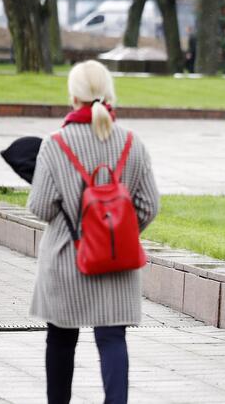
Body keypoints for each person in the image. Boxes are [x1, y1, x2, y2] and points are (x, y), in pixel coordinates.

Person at [27, 60, 160, 404]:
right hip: (116, 263)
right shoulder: (132, 142)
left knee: (60, 339)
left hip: (66, 260)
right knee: (112, 338)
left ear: (72, 95)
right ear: (109, 93)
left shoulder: (55, 144)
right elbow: (149, 206)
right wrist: (115, 233)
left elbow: (40, 206)